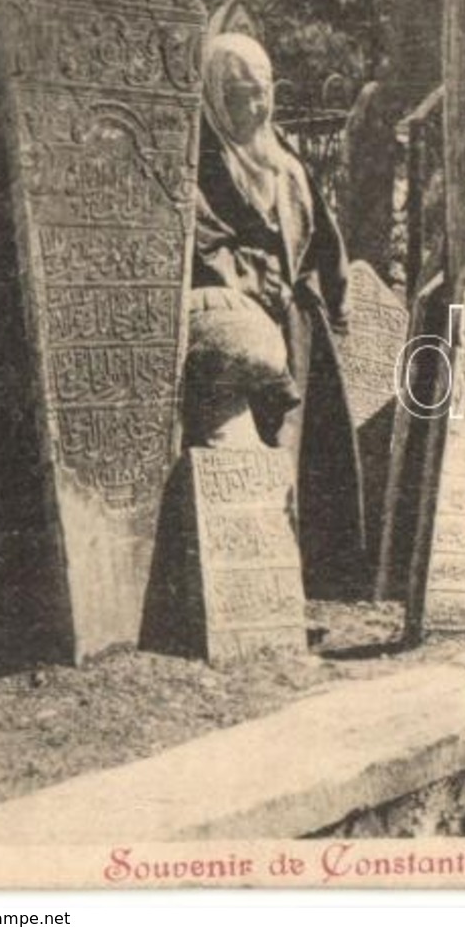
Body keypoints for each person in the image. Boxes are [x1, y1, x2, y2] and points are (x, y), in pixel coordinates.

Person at [191, 32, 364, 598]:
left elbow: (324, 241)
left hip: (300, 327)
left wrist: (332, 301)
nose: (256, 107)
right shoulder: (202, 160)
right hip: (242, 324)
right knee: (257, 447)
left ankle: (316, 576)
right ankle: (265, 582)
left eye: (263, 92)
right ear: (215, 95)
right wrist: (257, 283)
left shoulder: (282, 158)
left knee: (312, 452)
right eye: (241, 94)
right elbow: (203, 243)